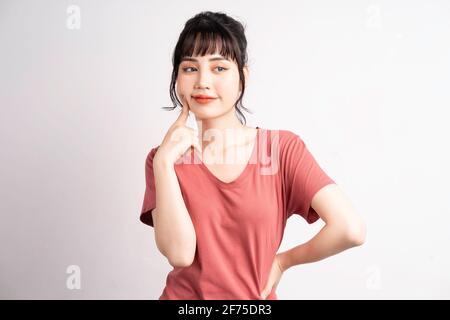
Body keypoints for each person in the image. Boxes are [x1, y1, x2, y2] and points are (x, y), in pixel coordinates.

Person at [140, 11, 366, 300]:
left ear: (242, 77)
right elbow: (180, 254)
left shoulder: (282, 149)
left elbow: (350, 229)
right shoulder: (162, 161)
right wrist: (163, 163)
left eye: (219, 68)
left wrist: (284, 261)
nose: (202, 81)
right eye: (189, 68)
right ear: (177, 78)